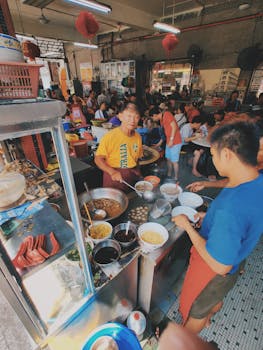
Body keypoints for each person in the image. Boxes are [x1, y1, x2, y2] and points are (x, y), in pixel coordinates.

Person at [172, 121, 263, 334]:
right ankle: (210, 313)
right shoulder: (256, 181)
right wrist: (210, 217)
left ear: (228, 155)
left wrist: (188, 226)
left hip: (212, 272)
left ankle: (189, 333)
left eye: (213, 154)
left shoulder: (230, 210)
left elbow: (219, 265)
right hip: (237, 261)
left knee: (195, 312)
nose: (212, 160)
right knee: (214, 300)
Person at [95, 102, 143, 192]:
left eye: (136, 117)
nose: (132, 120)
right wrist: (112, 172)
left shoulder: (138, 137)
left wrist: (138, 172)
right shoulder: (110, 136)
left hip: (131, 176)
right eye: (129, 116)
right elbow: (98, 159)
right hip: (113, 177)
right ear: (120, 116)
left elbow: (137, 159)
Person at [150, 106, 182, 180]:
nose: (153, 120)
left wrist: (171, 140)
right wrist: (158, 144)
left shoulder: (167, 114)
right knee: (168, 158)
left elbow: (174, 127)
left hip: (175, 141)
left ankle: (176, 177)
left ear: (155, 115)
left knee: (174, 161)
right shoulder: (162, 120)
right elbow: (165, 134)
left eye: (152, 118)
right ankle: (169, 174)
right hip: (169, 141)